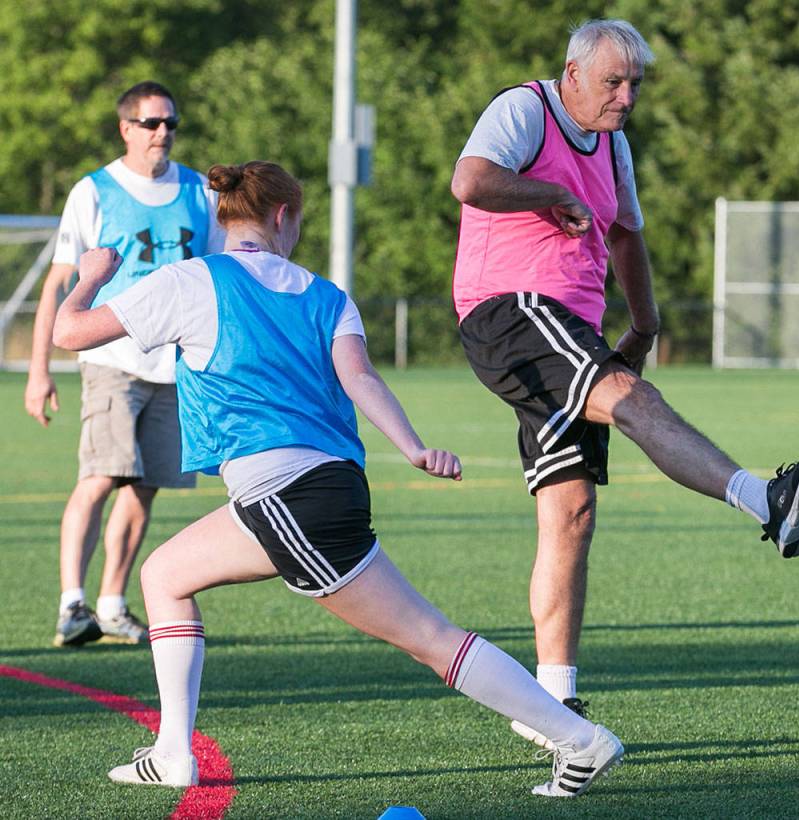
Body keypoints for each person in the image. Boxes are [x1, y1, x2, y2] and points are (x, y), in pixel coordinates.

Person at [52, 160, 623, 798]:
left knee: (430, 640)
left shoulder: (189, 280)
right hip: (323, 488)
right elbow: (361, 379)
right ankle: (174, 754)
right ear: (283, 216)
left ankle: (580, 741)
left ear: (226, 216)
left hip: (285, 501)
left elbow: (68, 332)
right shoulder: (328, 295)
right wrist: (412, 447)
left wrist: (89, 277)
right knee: (164, 575)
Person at [450, 18, 799, 748]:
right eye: (613, 82)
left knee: (570, 513)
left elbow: (625, 232)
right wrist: (544, 195)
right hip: (512, 313)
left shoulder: (615, 145)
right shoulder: (525, 110)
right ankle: (768, 498)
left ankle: (553, 710)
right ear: (572, 74)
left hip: (569, 327)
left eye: (634, 84)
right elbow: (469, 181)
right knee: (632, 402)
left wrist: (648, 323)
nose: (626, 96)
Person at [24, 81, 224, 647]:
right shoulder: (93, 191)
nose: (163, 132)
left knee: (146, 486)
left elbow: (217, 274)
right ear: (126, 129)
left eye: (171, 123)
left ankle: (111, 605)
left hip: (176, 365)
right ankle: (72, 603)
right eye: (152, 123)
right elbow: (58, 284)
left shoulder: (198, 191)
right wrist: (40, 371)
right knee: (102, 476)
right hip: (110, 357)